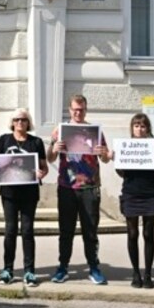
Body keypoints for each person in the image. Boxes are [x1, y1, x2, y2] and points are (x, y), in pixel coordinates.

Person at [46, 94, 111, 285]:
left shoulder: (94, 131)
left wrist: (104, 153)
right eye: (75, 109)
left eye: (81, 109)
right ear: (69, 110)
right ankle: (63, 267)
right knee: (65, 231)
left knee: (90, 231)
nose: (78, 112)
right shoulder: (59, 130)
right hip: (67, 187)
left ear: (86, 110)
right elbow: (49, 158)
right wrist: (54, 149)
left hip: (90, 188)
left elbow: (106, 158)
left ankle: (94, 268)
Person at [0, 108, 48, 286]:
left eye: (23, 120)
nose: (20, 123)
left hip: (29, 193)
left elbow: (44, 167)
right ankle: (8, 270)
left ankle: (29, 271)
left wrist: (41, 173)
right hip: (9, 193)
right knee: (10, 231)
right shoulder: (4, 140)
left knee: (28, 231)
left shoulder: (36, 142)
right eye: (17, 120)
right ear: (12, 122)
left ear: (28, 123)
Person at [114, 113, 154, 289]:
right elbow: (121, 173)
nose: (139, 129)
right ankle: (136, 272)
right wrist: (118, 160)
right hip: (131, 193)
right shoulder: (125, 146)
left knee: (148, 234)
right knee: (132, 234)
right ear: (132, 128)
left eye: (143, 126)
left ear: (148, 129)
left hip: (150, 194)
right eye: (136, 126)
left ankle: (148, 274)